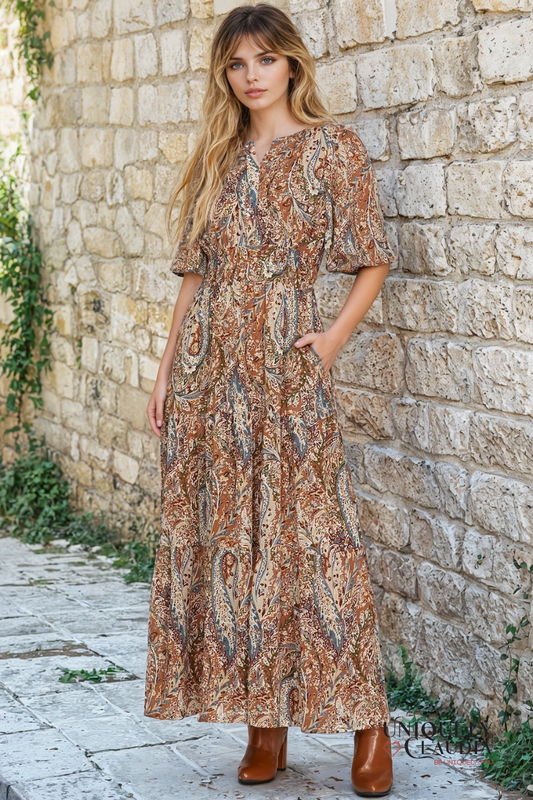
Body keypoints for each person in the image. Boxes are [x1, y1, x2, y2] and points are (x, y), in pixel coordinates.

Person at [144, 3, 395, 795]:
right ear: (223, 75)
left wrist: (330, 342)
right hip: (210, 377)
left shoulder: (331, 148)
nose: (250, 76)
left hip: (288, 371)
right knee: (235, 544)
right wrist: (166, 372)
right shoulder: (217, 159)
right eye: (235, 64)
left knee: (320, 542)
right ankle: (265, 724)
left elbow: (372, 258)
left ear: (291, 63)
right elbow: (195, 277)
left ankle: (369, 725)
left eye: (264, 59)